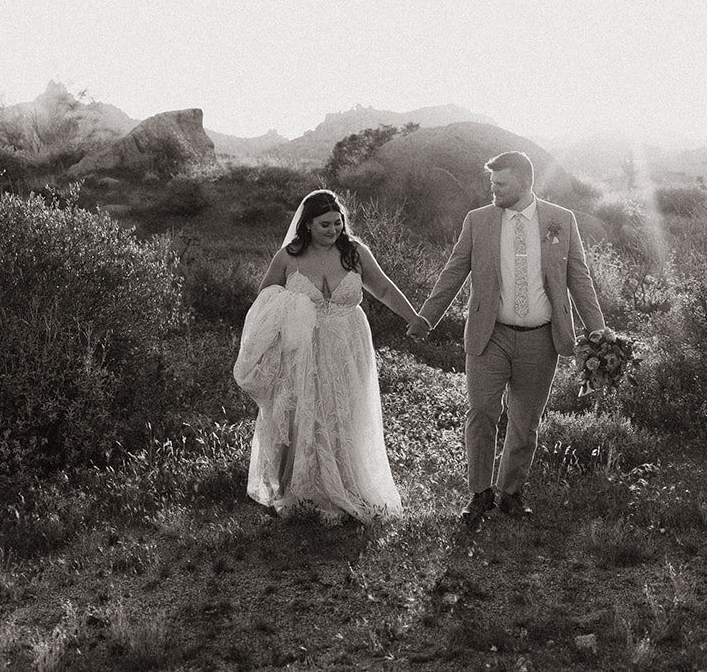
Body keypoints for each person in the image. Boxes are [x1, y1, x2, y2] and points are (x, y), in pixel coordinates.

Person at [410, 151, 612, 530]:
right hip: (491, 335)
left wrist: (597, 331)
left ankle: (510, 493)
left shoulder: (560, 220)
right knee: (482, 412)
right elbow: (454, 270)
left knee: (525, 422)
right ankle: (479, 493)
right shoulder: (478, 221)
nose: (493, 189)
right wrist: (427, 316)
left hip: (541, 339)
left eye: (500, 183)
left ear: (523, 181)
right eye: (492, 183)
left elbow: (579, 278)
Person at [233, 189, 423, 523]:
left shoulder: (354, 253)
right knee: (301, 413)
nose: (333, 229)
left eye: (338, 222)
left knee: (345, 412)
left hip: (347, 348)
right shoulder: (288, 257)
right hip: (301, 350)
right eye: (325, 224)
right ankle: (301, 489)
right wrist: (291, 313)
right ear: (306, 225)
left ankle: (348, 484)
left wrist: (414, 317)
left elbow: (385, 289)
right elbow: (264, 302)